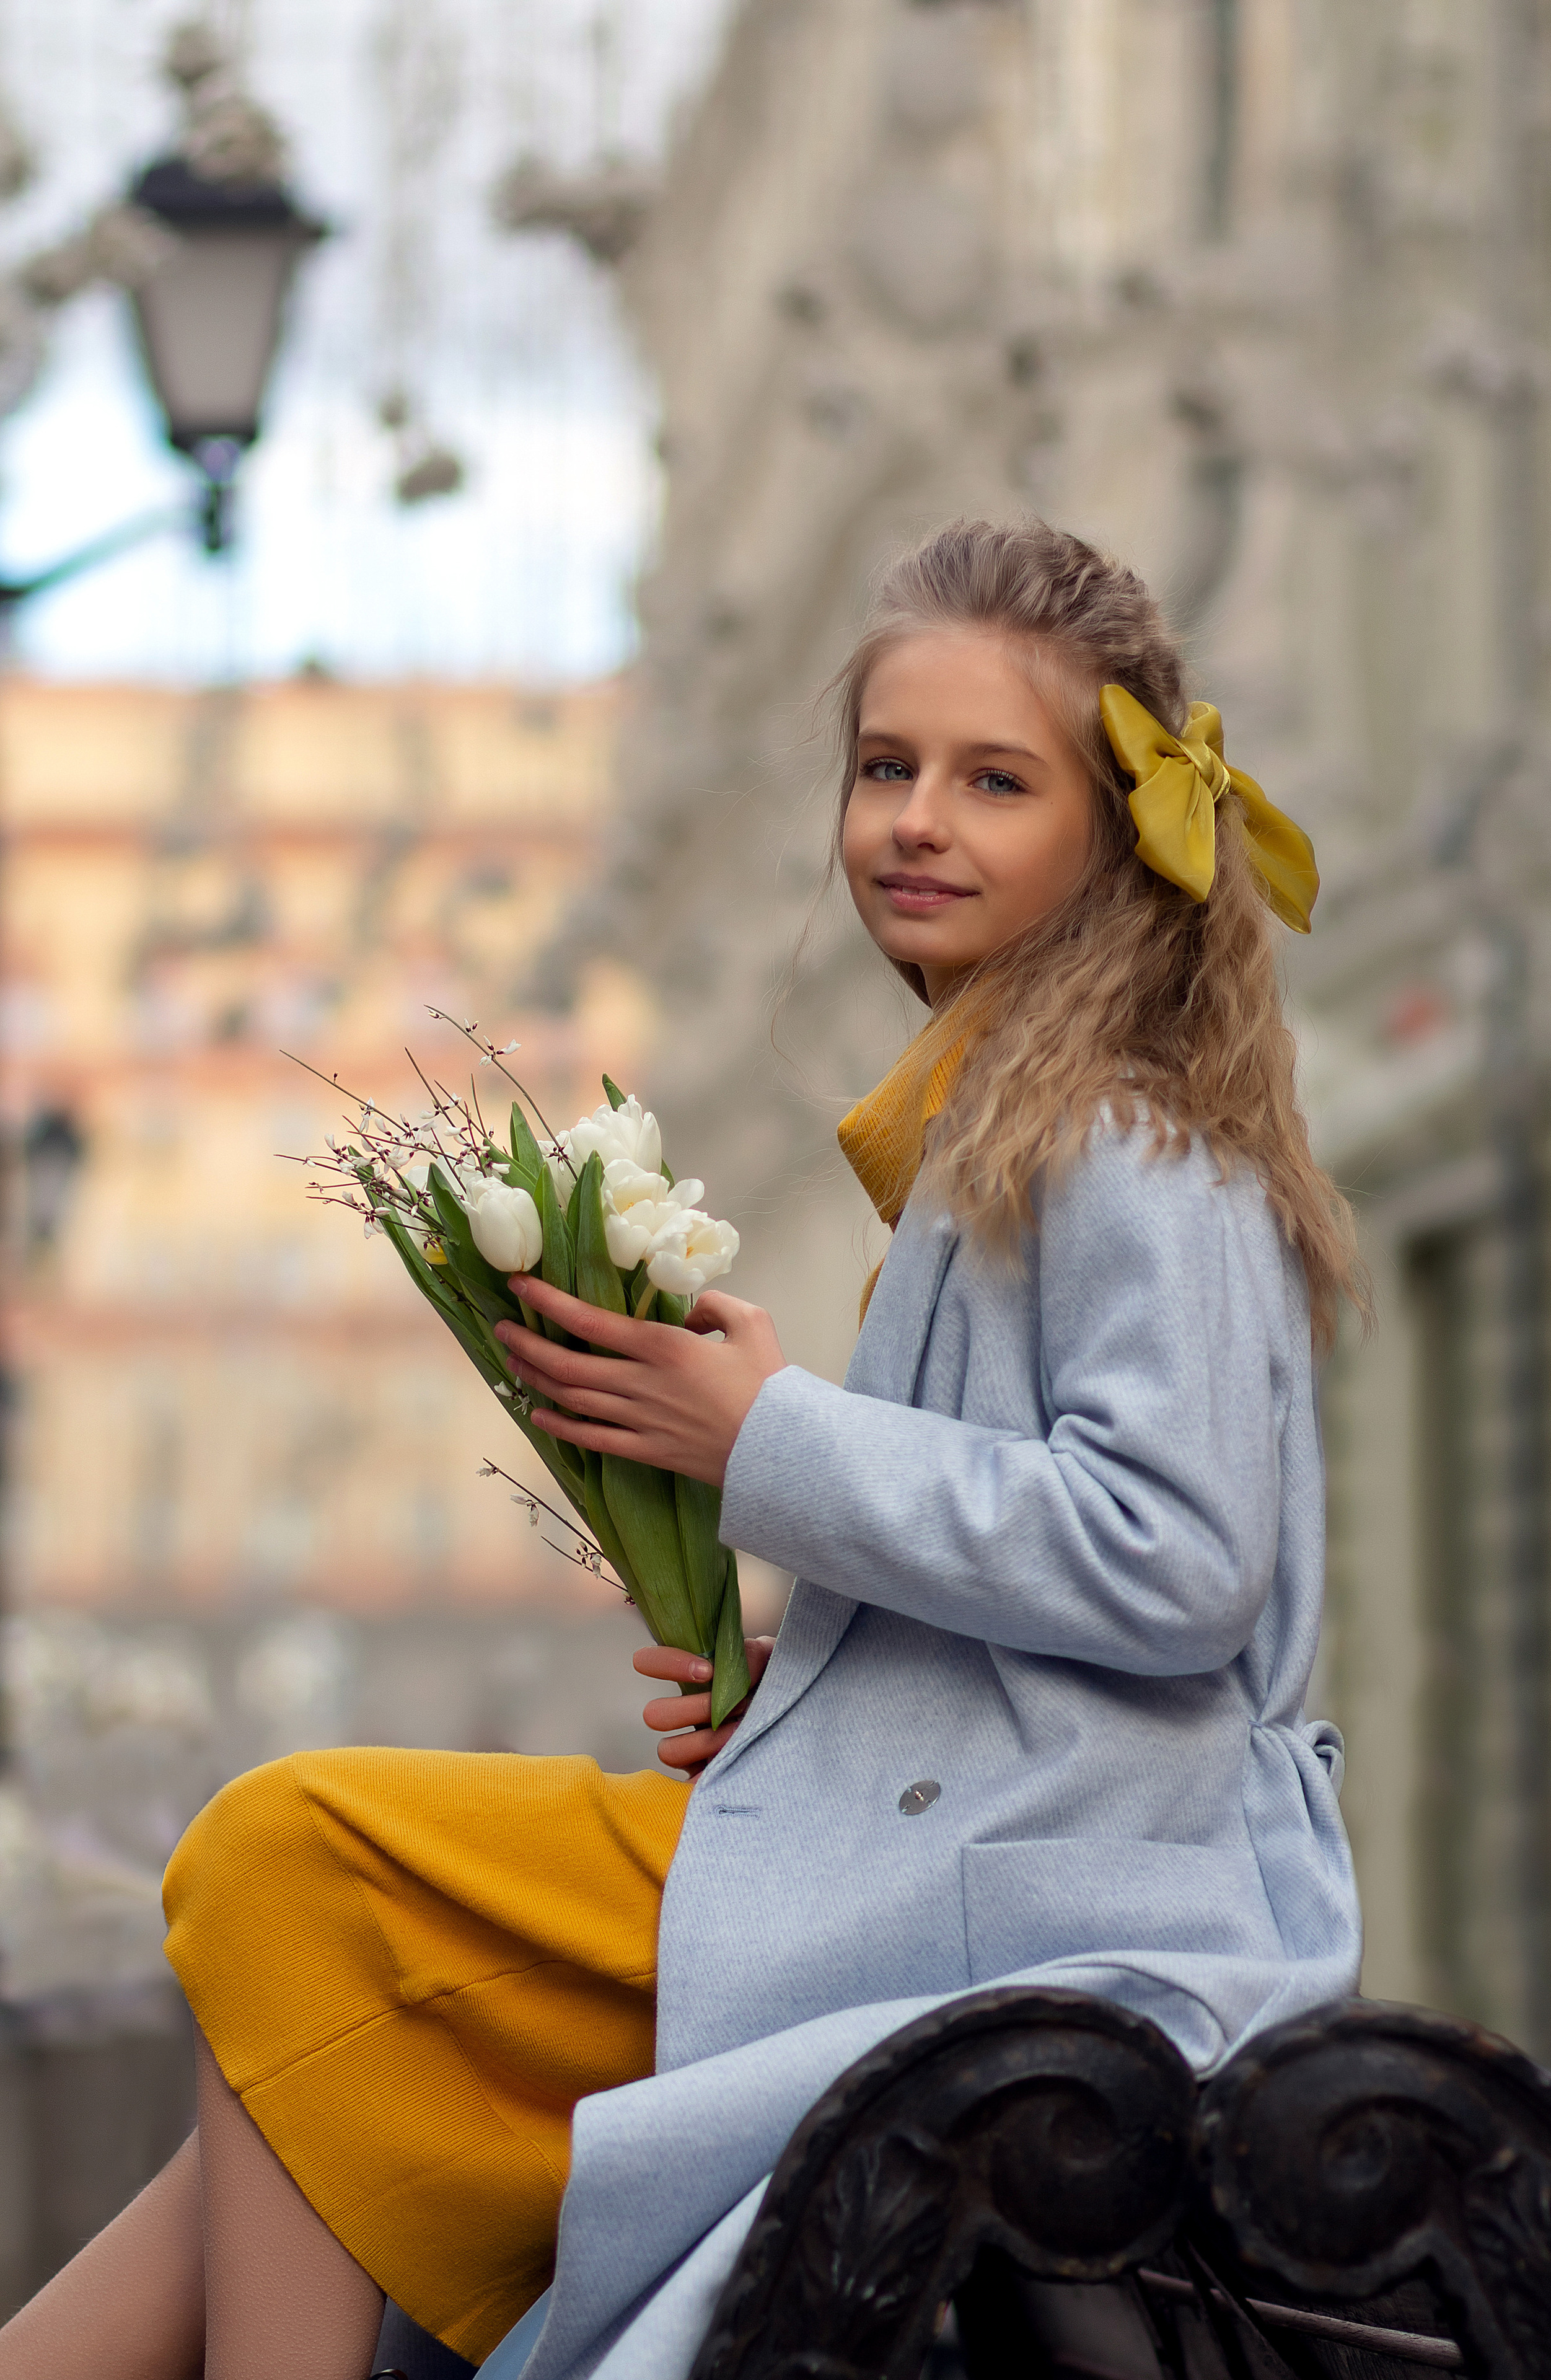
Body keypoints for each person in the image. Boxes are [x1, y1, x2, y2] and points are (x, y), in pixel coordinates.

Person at [0, 519, 1364, 2380]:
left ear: (1117, 831)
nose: (916, 821)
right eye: (887, 769)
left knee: (287, 1851)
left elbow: (1179, 1563)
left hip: (1049, 1905)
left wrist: (765, 1442)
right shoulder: (1013, 1132)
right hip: (965, 1856)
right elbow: (1036, 1581)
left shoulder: (1122, 1142)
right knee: (299, 2023)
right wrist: (807, 1696)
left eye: (994, 781)